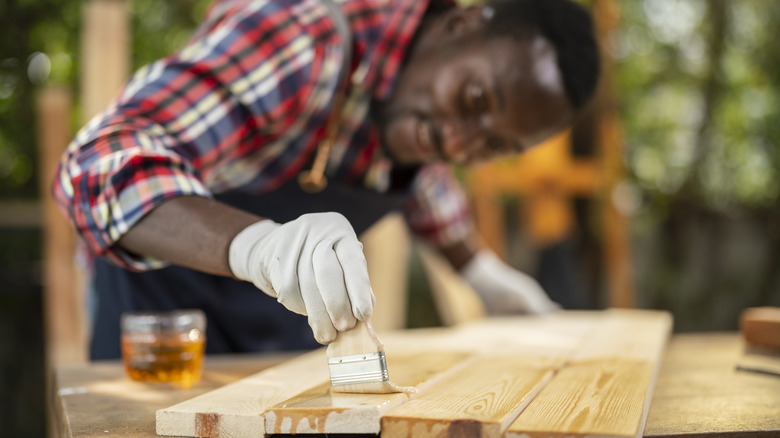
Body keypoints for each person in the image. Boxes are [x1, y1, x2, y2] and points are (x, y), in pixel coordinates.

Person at [53, 0, 600, 359]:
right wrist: (255, 246)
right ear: (459, 24)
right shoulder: (304, 37)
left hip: (283, 343)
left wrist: (482, 273)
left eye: (493, 146)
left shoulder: (424, 111)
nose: (460, 144)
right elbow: (97, 163)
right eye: (475, 99)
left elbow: (426, 186)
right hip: (165, 334)